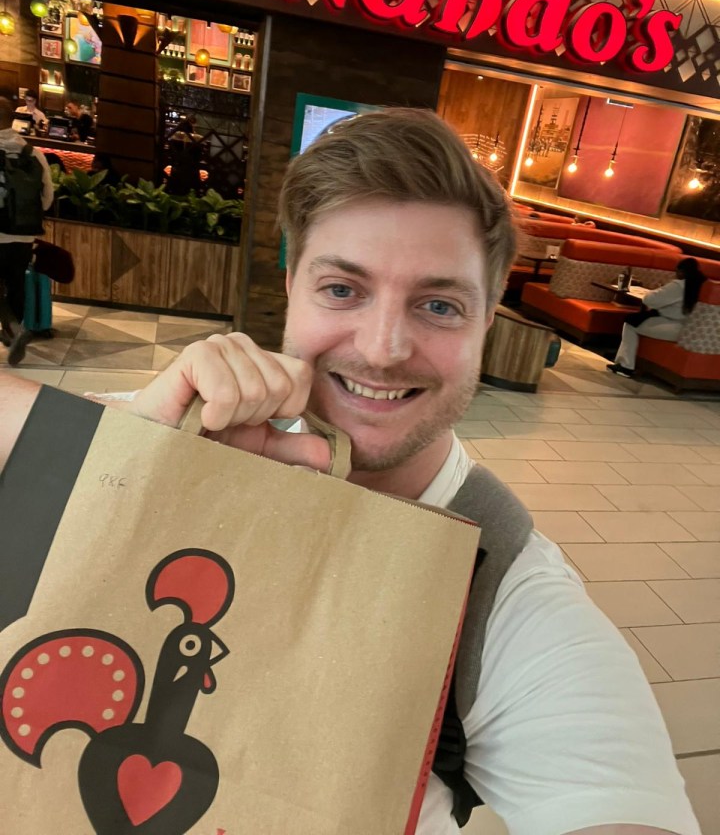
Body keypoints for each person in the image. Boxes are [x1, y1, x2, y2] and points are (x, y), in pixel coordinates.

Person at [0, 109, 700, 835]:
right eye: (343, 290)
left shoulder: (505, 596)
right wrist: (125, 457)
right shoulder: (161, 425)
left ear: (489, 320)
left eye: (438, 304)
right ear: (291, 286)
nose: (384, 347)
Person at [0, 97, 54, 365]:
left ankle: (14, 330)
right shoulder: (32, 153)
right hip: (22, 233)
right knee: (16, 284)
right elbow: (47, 197)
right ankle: (13, 330)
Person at [608, 257, 706, 377]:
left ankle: (625, 365)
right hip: (693, 330)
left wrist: (657, 290)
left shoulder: (679, 285)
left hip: (673, 327)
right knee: (637, 320)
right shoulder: (703, 286)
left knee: (631, 323)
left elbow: (650, 300)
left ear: (681, 272)